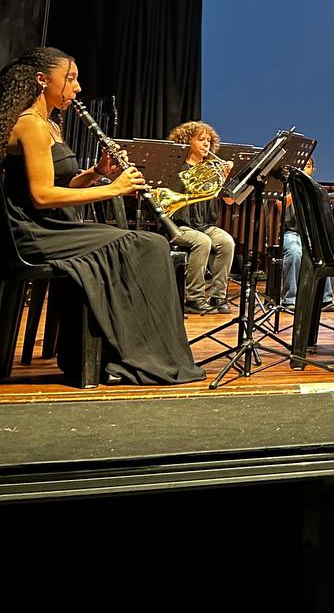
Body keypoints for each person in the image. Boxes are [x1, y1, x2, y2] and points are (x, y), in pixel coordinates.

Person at [1, 48, 203, 385]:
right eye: (70, 78)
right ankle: (137, 357)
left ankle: (131, 354)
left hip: (55, 226)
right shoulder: (31, 125)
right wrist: (113, 189)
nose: (77, 87)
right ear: (41, 79)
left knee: (149, 243)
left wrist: (97, 172)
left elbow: (62, 184)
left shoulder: (50, 124)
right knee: (148, 246)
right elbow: (42, 196)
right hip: (35, 231)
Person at [166, 120, 236, 314]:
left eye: (209, 140)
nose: (206, 143)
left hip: (204, 224)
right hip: (178, 225)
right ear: (187, 141)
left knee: (227, 242)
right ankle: (194, 298)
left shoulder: (212, 168)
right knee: (202, 242)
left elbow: (229, 201)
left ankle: (218, 296)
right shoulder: (176, 168)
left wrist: (225, 178)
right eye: (201, 139)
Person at [280, 157, 332, 311]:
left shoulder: (315, 188)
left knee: (325, 251)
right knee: (294, 252)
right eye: (302, 166)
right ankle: (289, 298)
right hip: (291, 232)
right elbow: (279, 205)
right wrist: (297, 190)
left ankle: (325, 299)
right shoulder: (286, 187)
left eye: (308, 166)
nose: (305, 169)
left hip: (310, 235)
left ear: (312, 170)